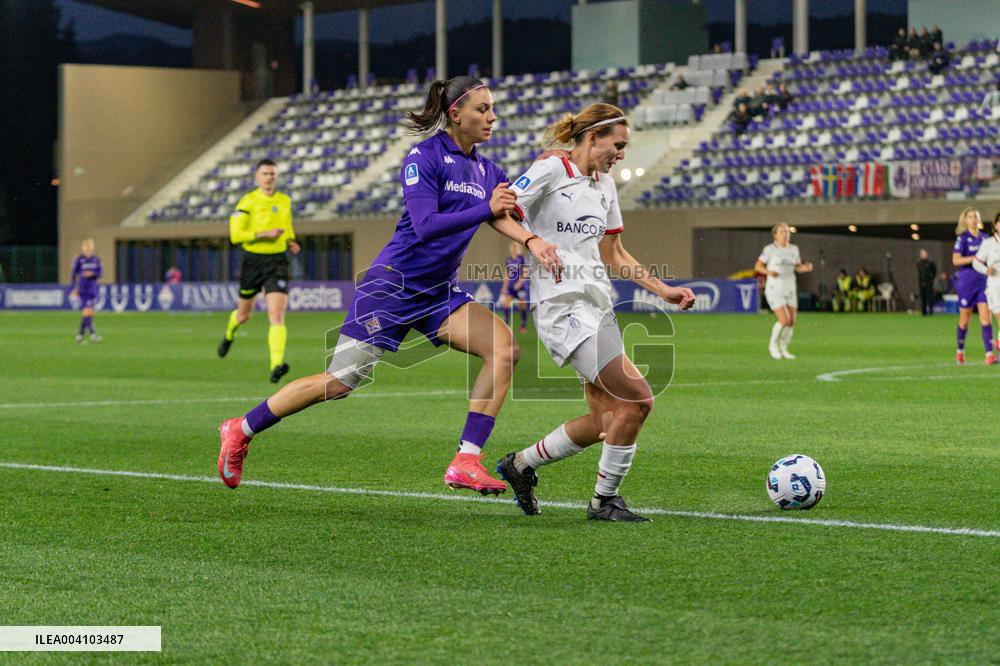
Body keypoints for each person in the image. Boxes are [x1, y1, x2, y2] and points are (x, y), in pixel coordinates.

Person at [215, 75, 562, 496]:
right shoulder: (424, 156)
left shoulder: (489, 170)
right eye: (483, 109)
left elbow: (500, 214)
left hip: (438, 293)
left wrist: (531, 238)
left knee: (504, 348)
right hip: (392, 288)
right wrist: (485, 209)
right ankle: (241, 428)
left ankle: (466, 460)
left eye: (492, 109)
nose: (493, 117)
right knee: (338, 384)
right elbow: (426, 224)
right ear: (456, 114)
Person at [495, 103, 696, 522]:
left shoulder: (605, 186)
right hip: (562, 307)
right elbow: (500, 212)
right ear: (592, 137)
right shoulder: (552, 168)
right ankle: (604, 501)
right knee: (638, 399)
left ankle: (521, 464)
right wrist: (532, 241)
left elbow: (615, 253)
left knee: (605, 419)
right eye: (617, 145)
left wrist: (664, 290)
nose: (621, 154)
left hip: (598, 305)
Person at [217, 159, 301, 383]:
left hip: (277, 262)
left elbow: (287, 226)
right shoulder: (248, 201)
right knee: (243, 315)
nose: (269, 177)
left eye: (272, 173)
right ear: (257, 177)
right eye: (265, 173)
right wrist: (264, 234)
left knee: (276, 315)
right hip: (252, 262)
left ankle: (276, 365)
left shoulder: (284, 200)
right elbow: (236, 236)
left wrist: (290, 240)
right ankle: (229, 335)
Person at [755, 223, 813, 359]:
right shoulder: (770, 249)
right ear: (775, 235)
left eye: (787, 231)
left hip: (790, 287)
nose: (785, 234)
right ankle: (773, 346)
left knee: (791, 321)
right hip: (775, 288)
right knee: (784, 319)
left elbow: (797, 267)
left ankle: (783, 348)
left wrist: (805, 268)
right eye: (782, 232)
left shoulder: (794, 249)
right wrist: (769, 272)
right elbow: (758, 266)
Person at [953, 207, 994, 364]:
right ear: (965, 220)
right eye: (970, 217)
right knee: (965, 319)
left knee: (986, 317)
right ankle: (960, 351)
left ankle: (989, 354)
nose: (973, 220)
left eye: (975, 216)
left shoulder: (986, 238)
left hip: (983, 281)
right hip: (967, 282)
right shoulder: (962, 239)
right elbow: (956, 260)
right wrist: (975, 258)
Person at [972, 211, 1000, 361]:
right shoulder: (988, 243)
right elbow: (975, 263)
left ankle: (998, 345)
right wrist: (986, 270)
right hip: (995, 288)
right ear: (995, 225)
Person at [69, 238, 103, 344]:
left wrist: (92, 274)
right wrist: (73, 288)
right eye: (84, 245)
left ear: (91, 247)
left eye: (88, 245)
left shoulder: (96, 259)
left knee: (89, 313)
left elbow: (100, 273)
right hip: (83, 289)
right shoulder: (79, 259)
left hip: (93, 289)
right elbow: (73, 274)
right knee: (87, 311)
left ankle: (80, 336)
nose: (86, 247)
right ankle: (92, 335)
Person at [500, 241, 529, 333]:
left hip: (521, 286)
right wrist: (505, 286)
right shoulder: (508, 260)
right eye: (512, 247)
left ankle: (523, 325)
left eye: (516, 247)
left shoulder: (522, 259)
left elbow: (525, 272)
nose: (514, 249)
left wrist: (519, 283)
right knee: (505, 303)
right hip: (511, 286)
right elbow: (507, 274)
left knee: (522, 305)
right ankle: (506, 324)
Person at [916, 249, 937, 316]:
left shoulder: (931, 262)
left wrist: (931, 278)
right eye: (922, 254)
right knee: (923, 297)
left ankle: (931, 311)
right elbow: (919, 272)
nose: (923, 255)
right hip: (921, 282)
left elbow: (934, 271)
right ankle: (924, 311)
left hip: (929, 282)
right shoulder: (918, 263)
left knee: (929, 297)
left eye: (924, 254)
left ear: (927, 254)